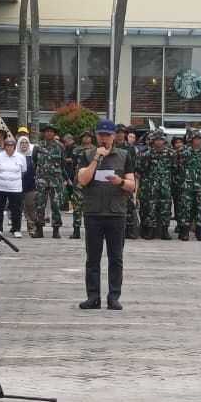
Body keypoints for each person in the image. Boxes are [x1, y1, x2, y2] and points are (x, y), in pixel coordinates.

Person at [77, 120, 136, 311]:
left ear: (114, 136)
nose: (104, 138)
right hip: (93, 212)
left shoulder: (124, 156)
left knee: (115, 257)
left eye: (107, 135)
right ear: (96, 135)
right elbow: (83, 180)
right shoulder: (86, 155)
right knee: (92, 258)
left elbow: (131, 185)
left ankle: (114, 297)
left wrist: (119, 182)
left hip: (116, 213)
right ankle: (93, 297)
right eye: (101, 134)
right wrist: (96, 159)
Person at [137, 130, 175, 240]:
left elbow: (175, 169)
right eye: (157, 140)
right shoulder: (147, 155)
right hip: (151, 186)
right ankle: (150, 231)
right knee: (151, 208)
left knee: (166, 208)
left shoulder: (171, 154)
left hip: (165, 186)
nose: (159, 142)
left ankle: (165, 231)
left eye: (161, 140)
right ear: (153, 141)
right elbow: (140, 169)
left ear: (164, 141)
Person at [177, 130, 201, 242]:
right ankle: (184, 232)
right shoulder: (183, 151)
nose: (197, 141)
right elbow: (179, 166)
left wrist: (198, 178)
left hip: (200, 186)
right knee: (186, 208)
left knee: (200, 209)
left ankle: (200, 232)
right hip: (186, 185)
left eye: (199, 139)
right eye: (195, 139)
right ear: (191, 140)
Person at [33, 125, 66, 239]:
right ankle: (39, 228)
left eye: (51, 132)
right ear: (44, 133)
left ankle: (56, 229)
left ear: (54, 134)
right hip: (41, 179)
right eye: (47, 132)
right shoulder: (38, 146)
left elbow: (63, 163)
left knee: (55, 205)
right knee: (39, 204)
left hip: (55, 180)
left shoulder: (60, 146)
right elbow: (34, 162)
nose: (49, 134)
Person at [0, 137, 26, 236]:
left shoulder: (20, 157)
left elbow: (23, 171)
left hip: (15, 188)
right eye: (7, 146)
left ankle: (16, 229)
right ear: (4, 147)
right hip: (0, 187)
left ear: (14, 147)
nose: (9, 148)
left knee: (16, 210)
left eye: (11, 146)